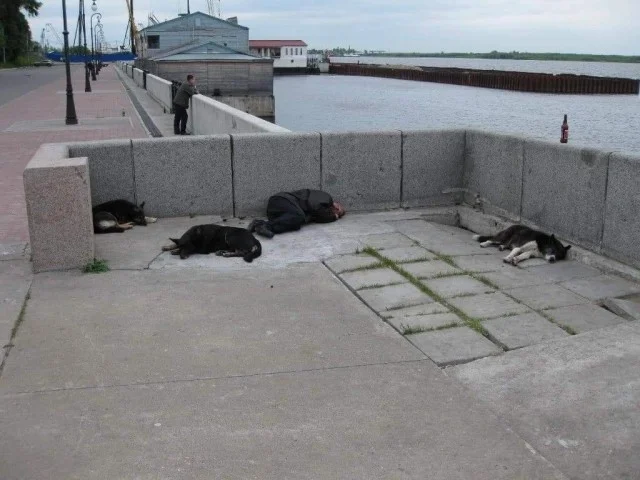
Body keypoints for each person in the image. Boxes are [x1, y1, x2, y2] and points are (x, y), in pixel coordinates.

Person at [248, 189, 345, 238]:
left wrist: (332, 217)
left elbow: (317, 216)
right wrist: (333, 217)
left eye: (339, 214)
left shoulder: (319, 213)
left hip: (280, 212)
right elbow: (314, 207)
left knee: (296, 224)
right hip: (280, 200)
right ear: (336, 205)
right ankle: (264, 225)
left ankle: (260, 224)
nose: (337, 213)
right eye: (338, 210)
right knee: (299, 217)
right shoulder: (326, 198)